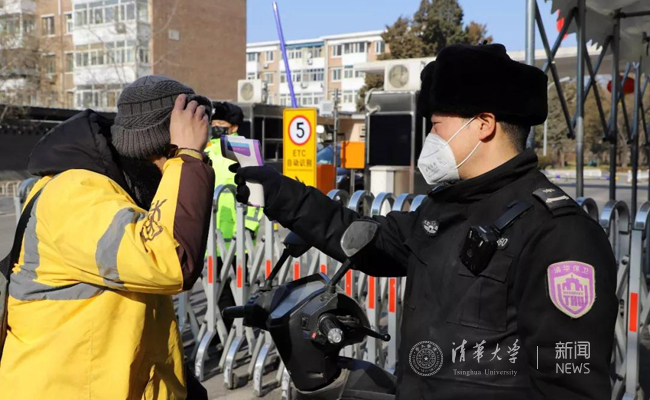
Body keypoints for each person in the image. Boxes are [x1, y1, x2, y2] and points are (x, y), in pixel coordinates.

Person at [232, 44, 617, 400]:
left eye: (436, 125)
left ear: (483, 124)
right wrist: (281, 194)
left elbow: (570, 385)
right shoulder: (444, 207)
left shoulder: (557, 233)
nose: (430, 137)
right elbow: (366, 240)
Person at [0, 75, 214, 399]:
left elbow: (142, 323)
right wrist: (188, 157)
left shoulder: (122, 199)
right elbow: (169, 262)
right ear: (158, 150)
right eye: (174, 157)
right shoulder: (74, 195)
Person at [204, 102, 261, 332]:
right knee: (215, 288)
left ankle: (237, 333)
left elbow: (257, 191)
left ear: (234, 127)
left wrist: (249, 226)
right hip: (211, 233)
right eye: (214, 123)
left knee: (237, 287)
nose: (216, 127)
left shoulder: (244, 150)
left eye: (221, 123)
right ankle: (222, 333)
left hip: (238, 234)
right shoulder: (206, 149)